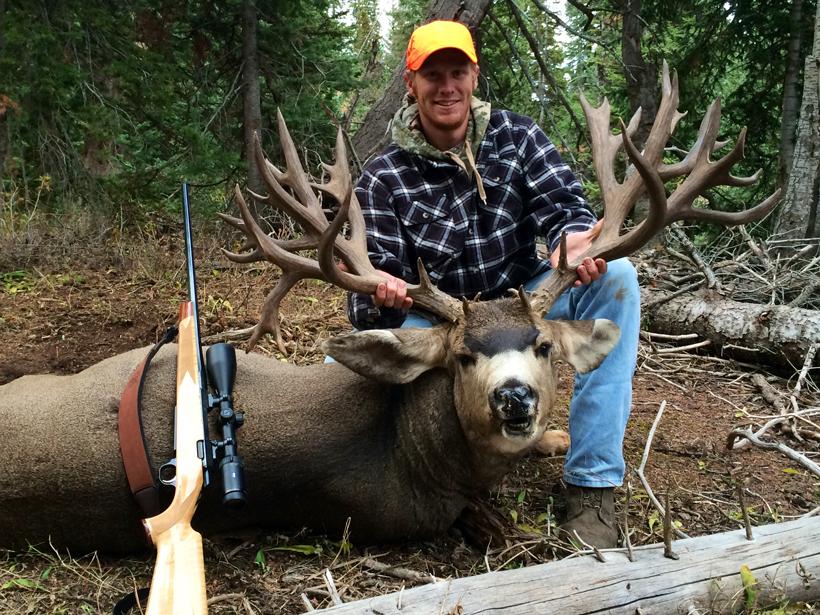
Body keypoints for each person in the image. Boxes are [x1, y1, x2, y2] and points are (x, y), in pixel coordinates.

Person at [347, 20, 640, 549]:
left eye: (457, 72)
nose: (447, 87)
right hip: (445, 323)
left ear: (474, 76)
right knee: (342, 378)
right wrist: (381, 294)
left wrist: (572, 242)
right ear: (410, 84)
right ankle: (441, 463)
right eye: (432, 75)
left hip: (524, 309)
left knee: (616, 277)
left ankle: (592, 483)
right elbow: (366, 292)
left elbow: (565, 207)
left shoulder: (518, 137)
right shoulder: (383, 176)